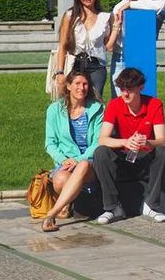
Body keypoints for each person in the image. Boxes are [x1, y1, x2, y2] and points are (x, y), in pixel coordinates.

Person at [92, 68, 165, 224]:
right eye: (122, 89)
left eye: (130, 89)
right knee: (101, 152)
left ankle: (151, 205)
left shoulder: (154, 104)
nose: (125, 94)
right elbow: (103, 139)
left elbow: (162, 140)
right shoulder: (115, 105)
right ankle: (112, 207)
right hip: (123, 156)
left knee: (163, 152)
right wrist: (125, 141)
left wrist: (147, 142)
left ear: (140, 88)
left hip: (145, 155)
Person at [41, 71, 104, 232]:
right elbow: (50, 143)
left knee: (82, 165)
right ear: (68, 86)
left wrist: (78, 159)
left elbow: (98, 142)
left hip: (89, 162)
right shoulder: (54, 110)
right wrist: (63, 160)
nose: (81, 88)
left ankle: (53, 212)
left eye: (85, 84)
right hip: (66, 164)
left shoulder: (97, 109)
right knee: (60, 179)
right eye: (77, 84)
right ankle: (70, 201)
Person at [109, 0, 165, 97]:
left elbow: (159, 6)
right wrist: (130, 3)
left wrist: (130, 5)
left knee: (142, 96)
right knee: (120, 97)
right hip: (121, 54)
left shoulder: (163, 1)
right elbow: (116, 10)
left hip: (143, 55)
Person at [54, 0, 115, 100]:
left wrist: (116, 27)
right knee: (74, 101)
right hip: (75, 63)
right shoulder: (70, 16)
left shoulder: (105, 17)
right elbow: (62, 45)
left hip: (96, 66)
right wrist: (60, 72)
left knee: (95, 101)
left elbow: (108, 46)